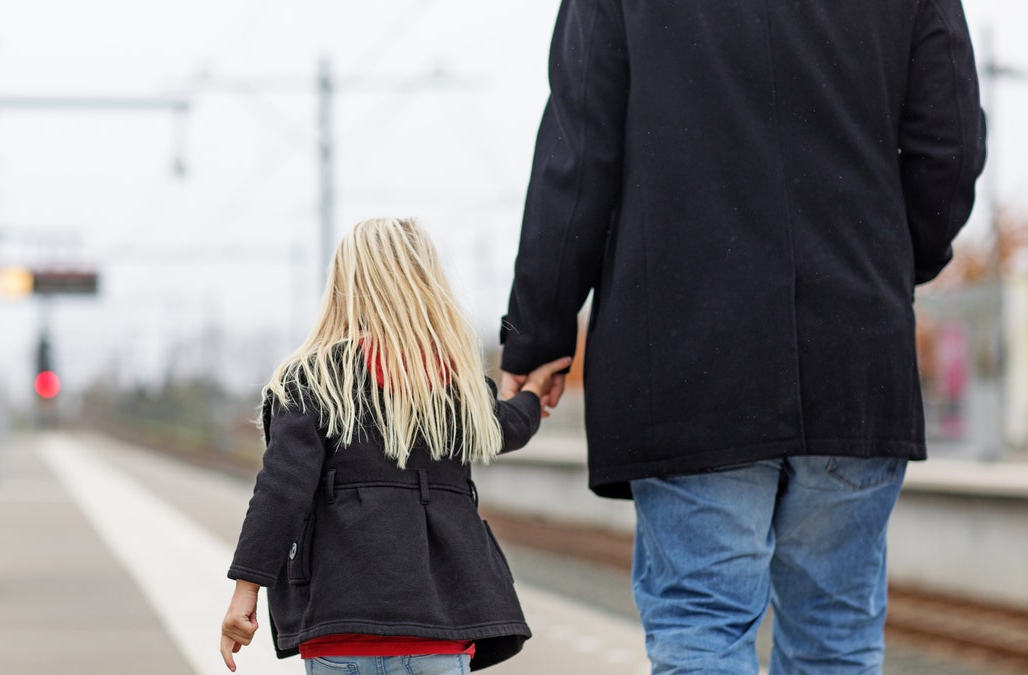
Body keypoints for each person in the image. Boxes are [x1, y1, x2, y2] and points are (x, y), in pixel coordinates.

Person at [500, 1, 986, 673]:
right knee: (836, 639)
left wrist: (537, 333)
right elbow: (950, 147)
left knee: (702, 627)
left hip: (684, 356)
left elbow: (577, 156)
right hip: (854, 353)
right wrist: (889, 265)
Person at [220, 217, 571, 674]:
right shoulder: (455, 386)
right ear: (427, 282)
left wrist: (246, 590)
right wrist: (531, 392)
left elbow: (280, 493)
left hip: (340, 633)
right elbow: (509, 425)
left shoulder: (314, 380)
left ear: (345, 284)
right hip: (439, 634)